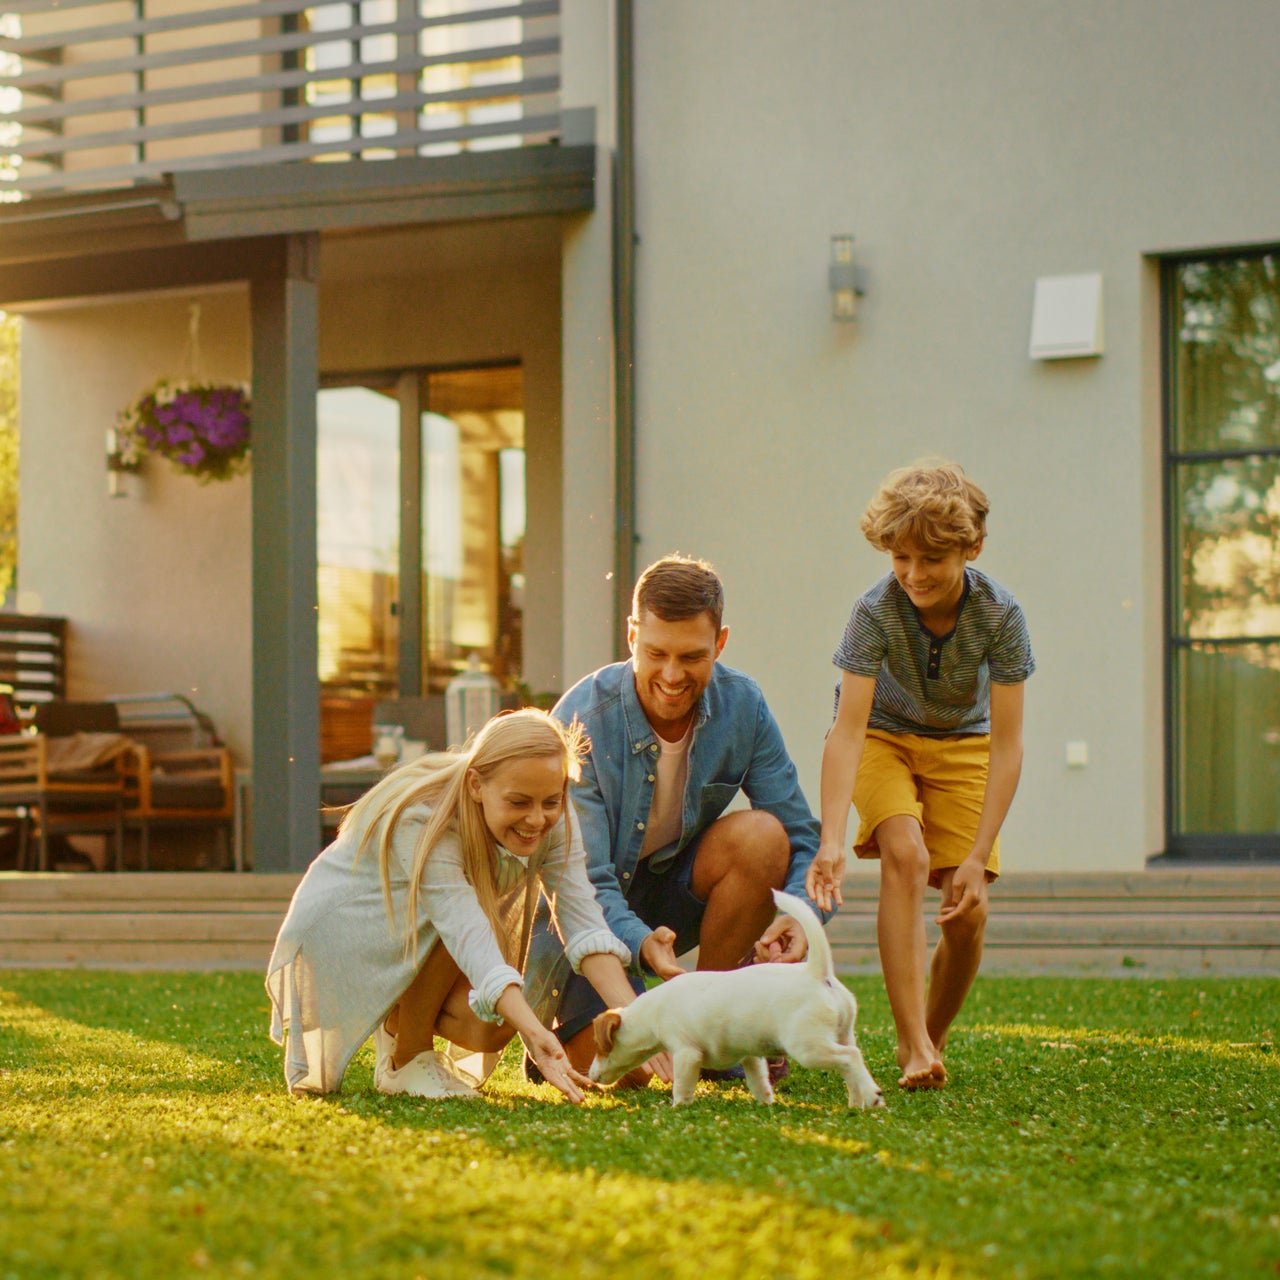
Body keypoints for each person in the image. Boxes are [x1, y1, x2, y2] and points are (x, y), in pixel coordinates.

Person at [523, 554, 826, 1082]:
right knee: (626, 1071)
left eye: (692, 657)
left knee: (763, 837)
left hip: (670, 893)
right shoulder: (581, 719)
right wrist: (639, 944)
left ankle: (712, 1025)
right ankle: (584, 1028)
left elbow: (802, 837)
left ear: (721, 644)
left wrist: (801, 918)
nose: (671, 674)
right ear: (631, 634)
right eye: (655, 652)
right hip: (580, 916)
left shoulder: (744, 707)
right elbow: (586, 885)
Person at [265, 709, 637, 1103]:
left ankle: (398, 1022)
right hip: (348, 931)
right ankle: (406, 1059)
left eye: (551, 800)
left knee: (490, 1028)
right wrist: (535, 1032)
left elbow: (583, 922)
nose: (537, 818)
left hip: (422, 930)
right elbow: (463, 929)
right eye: (519, 802)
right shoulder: (426, 818)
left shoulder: (551, 813)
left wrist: (643, 1022)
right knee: (473, 940)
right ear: (476, 785)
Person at [810, 460, 1034, 1091]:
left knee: (967, 913)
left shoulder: (1000, 616)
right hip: (883, 736)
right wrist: (832, 839)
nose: (913, 575)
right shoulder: (875, 611)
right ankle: (910, 1044)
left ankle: (930, 1041)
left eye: (931, 560)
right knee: (903, 854)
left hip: (965, 744)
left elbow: (1009, 744)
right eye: (900, 557)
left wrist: (979, 852)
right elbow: (847, 730)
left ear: (973, 547)